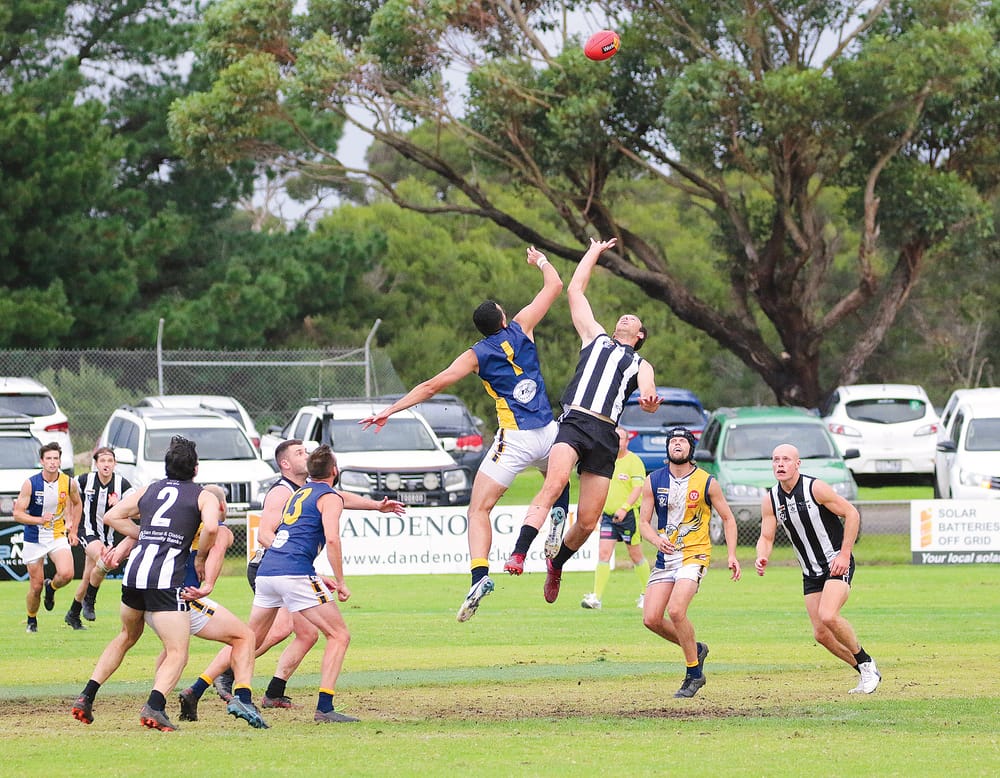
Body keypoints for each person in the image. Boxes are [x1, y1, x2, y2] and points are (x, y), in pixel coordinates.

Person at [361, 245, 571, 623]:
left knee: (479, 509)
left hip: (515, 440)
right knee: (555, 476)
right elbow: (555, 284)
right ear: (504, 317)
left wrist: (390, 410)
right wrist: (538, 260)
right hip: (549, 431)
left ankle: (479, 576)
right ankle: (558, 514)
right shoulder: (523, 326)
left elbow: (431, 386)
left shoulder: (476, 354)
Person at [503, 236, 660, 605]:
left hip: (605, 435)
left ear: (638, 337)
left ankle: (556, 563)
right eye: (625, 316)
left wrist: (651, 402)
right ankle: (519, 553)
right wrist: (593, 251)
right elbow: (575, 289)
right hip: (574, 422)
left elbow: (649, 395)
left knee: (588, 521)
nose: (626, 317)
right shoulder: (596, 337)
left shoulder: (640, 363)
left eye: (633, 320)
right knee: (554, 482)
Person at [207, 439, 403, 709]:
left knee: (306, 634)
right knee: (279, 631)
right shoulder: (282, 491)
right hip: (276, 567)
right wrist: (293, 558)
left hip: (286, 569)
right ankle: (224, 674)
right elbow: (264, 533)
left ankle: (268, 690)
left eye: (307, 452)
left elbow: (340, 498)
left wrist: (375, 506)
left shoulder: (307, 490)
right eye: (299, 452)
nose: (306, 455)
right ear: (285, 464)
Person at [70, 436, 220, 732]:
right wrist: (200, 558)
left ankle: (86, 696)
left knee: (126, 636)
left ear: (167, 466)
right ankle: (155, 705)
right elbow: (212, 527)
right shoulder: (204, 495)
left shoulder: (150, 489)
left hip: (135, 574)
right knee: (178, 651)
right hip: (166, 579)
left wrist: (145, 533)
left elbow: (112, 516)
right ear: (196, 468)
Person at [755, 443, 881, 695]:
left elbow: (852, 513)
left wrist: (845, 554)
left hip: (835, 562)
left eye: (786, 459)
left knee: (828, 615)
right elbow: (766, 537)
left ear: (797, 463)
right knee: (822, 634)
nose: (780, 464)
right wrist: (762, 556)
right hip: (810, 572)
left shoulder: (815, 488)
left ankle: (866, 662)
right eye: (775, 459)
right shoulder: (771, 499)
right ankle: (866, 670)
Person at [248, 444, 358, 723]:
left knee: (250, 638)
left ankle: (204, 687)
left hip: (268, 571)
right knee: (339, 635)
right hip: (294, 573)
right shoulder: (328, 497)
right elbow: (332, 539)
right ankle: (325, 707)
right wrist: (341, 581)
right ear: (335, 471)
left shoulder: (301, 492)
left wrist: (378, 506)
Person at [639, 428, 741, 698]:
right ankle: (695, 649)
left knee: (675, 611)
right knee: (650, 618)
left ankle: (693, 673)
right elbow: (643, 524)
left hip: (694, 554)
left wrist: (731, 555)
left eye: (682, 441)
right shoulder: (653, 481)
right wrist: (655, 540)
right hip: (665, 557)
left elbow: (729, 519)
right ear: (667, 448)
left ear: (691, 449)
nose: (677, 445)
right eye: (673, 441)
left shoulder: (707, 482)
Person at [157, 484, 267, 728]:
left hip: (153, 592)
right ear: (221, 506)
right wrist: (208, 583)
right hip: (184, 596)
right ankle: (243, 698)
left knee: (171, 649)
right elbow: (217, 548)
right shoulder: (220, 528)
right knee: (244, 636)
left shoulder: (180, 524)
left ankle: (161, 701)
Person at [13, 441, 82, 633]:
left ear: (60, 461)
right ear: (41, 461)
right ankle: (32, 620)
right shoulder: (30, 484)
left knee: (67, 574)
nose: (52, 462)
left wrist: (73, 529)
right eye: (49, 458)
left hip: (57, 534)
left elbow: (77, 504)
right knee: (35, 587)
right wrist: (39, 519)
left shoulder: (68, 482)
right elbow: (18, 514)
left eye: (56, 458)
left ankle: (51, 588)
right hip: (34, 537)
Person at [64, 447, 134, 630]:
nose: (106, 464)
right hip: (86, 531)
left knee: (89, 576)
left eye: (110, 461)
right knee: (104, 561)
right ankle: (90, 600)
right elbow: (67, 494)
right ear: (96, 464)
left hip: (107, 537)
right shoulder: (84, 480)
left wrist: (120, 505)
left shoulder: (122, 484)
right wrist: (69, 519)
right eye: (102, 461)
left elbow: (135, 508)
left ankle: (73, 614)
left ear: (115, 464)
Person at [580, 427, 649, 610]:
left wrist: (625, 508)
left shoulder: (634, 462)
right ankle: (596, 597)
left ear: (627, 441)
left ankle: (648, 594)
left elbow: (637, 488)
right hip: (608, 517)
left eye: (621, 439)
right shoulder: (605, 460)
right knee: (603, 554)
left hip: (629, 516)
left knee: (635, 555)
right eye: (614, 438)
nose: (617, 442)